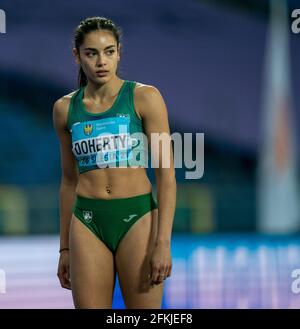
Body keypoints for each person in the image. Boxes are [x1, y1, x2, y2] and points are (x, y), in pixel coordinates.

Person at [53, 16, 176, 309]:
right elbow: (69, 180)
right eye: (91, 53)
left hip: (138, 218)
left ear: (119, 52)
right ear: (77, 55)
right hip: (87, 222)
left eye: (109, 51)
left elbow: (166, 176)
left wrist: (163, 242)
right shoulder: (64, 109)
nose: (101, 61)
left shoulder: (145, 98)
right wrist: (65, 249)